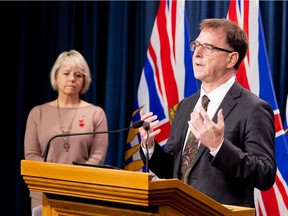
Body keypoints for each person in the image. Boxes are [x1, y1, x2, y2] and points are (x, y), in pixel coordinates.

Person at [138, 18, 276, 208]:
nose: (197, 54)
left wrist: (219, 146)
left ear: (231, 58)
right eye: (197, 45)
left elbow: (265, 174)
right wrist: (150, 148)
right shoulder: (186, 105)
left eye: (208, 48)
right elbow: (173, 169)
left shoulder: (254, 108)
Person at [24, 50, 108, 214]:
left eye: (78, 75)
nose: (72, 79)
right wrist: (58, 179)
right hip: (44, 192)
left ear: (84, 81)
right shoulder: (37, 113)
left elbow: (97, 158)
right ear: (55, 77)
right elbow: (32, 156)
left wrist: (70, 181)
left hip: (82, 193)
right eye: (66, 73)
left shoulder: (96, 113)